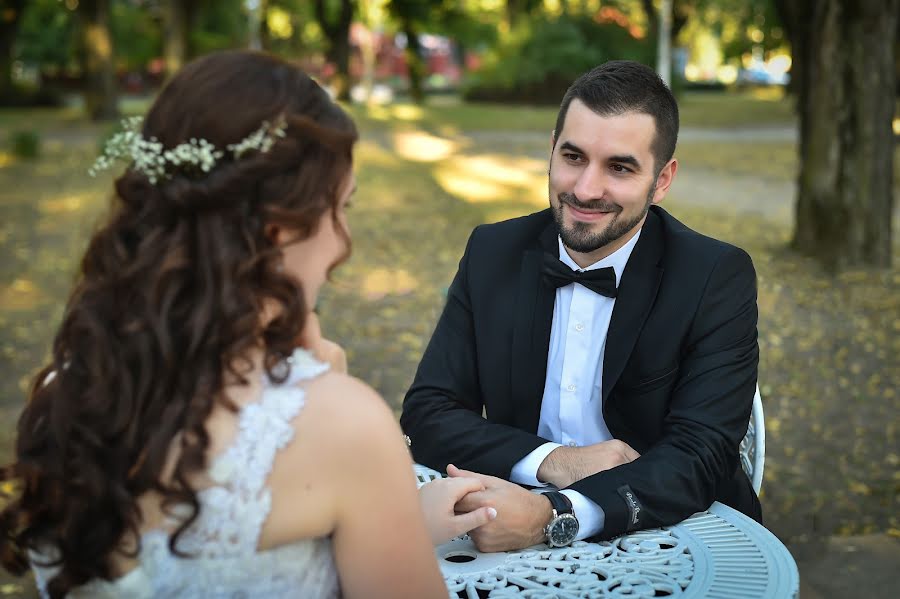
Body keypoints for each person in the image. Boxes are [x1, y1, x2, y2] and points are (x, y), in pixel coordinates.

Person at [0, 50, 495, 598]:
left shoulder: (66, 393)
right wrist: (393, 511)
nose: (342, 244)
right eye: (342, 209)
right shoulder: (341, 428)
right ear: (280, 230)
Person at [401, 60, 762, 553]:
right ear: (551, 149)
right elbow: (428, 413)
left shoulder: (714, 276)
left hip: (670, 528)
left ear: (662, 179)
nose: (586, 189)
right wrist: (556, 462)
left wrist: (555, 514)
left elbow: (699, 456)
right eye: (573, 157)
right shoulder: (492, 252)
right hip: (505, 514)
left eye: (619, 167)